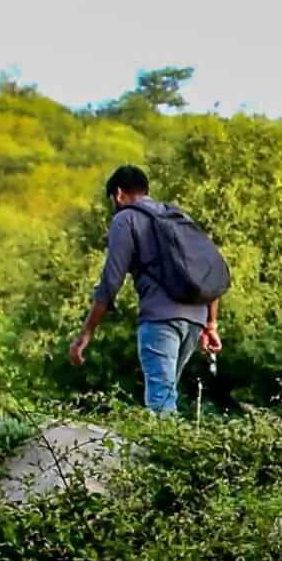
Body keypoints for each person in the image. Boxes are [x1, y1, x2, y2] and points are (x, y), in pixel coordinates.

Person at [68, 166, 222, 414]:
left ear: (118, 194)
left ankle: (164, 453)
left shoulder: (125, 219)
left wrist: (86, 333)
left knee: (161, 400)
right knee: (167, 391)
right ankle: (176, 448)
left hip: (160, 319)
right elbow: (210, 269)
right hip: (195, 319)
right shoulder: (178, 216)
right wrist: (211, 324)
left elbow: (110, 281)